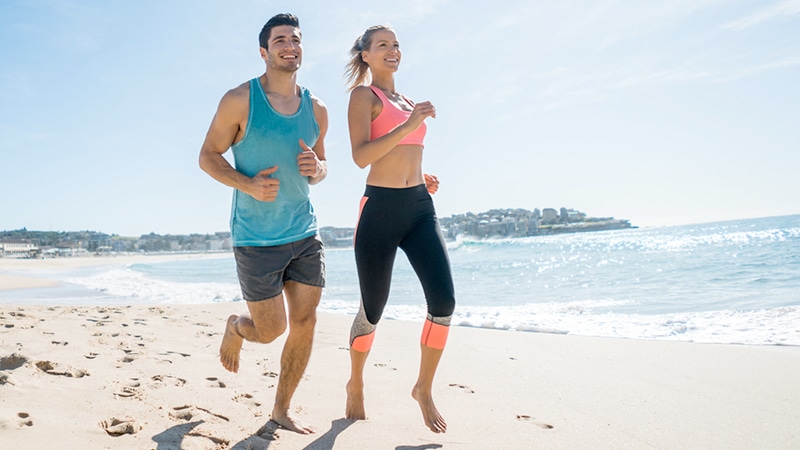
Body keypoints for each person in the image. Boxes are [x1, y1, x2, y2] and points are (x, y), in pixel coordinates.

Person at [198, 13, 328, 435]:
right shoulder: (240, 100)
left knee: (306, 323)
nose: (289, 45)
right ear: (264, 51)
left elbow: (320, 168)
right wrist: (247, 185)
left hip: (304, 232)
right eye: (280, 40)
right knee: (271, 331)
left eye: (295, 39)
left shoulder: (317, 108)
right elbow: (208, 156)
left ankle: (281, 409)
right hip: (256, 239)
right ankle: (236, 326)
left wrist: (318, 168)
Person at [343, 25, 456, 434]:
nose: (392, 51)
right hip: (380, 212)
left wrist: (421, 175)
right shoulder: (363, 96)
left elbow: (405, 151)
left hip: (419, 209)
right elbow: (361, 157)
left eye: (396, 45)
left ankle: (423, 388)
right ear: (366, 55)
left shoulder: (407, 101)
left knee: (443, 302)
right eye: (382, 45)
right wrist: (409, 125)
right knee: (372, 310)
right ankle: (355, 380)